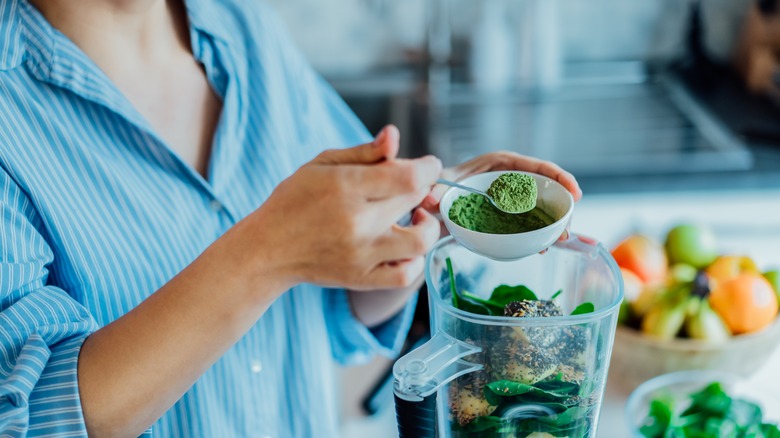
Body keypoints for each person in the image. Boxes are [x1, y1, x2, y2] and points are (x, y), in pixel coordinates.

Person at [0, 0, 582, 436]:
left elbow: (331, 304)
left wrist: (417, 221)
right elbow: (27, 417)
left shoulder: (243, 26)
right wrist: (263, 257)